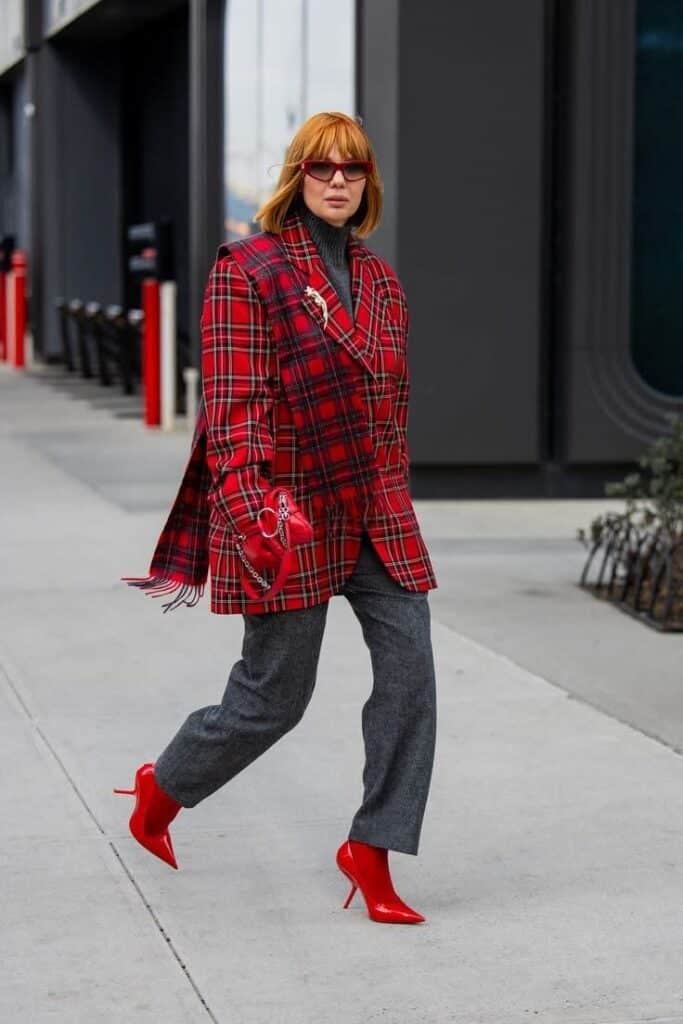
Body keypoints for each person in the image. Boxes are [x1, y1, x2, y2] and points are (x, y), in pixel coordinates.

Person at [115, 111, 438, 926]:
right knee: (272, 700)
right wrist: (250, 510)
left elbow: (390, 408)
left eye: (352, 169)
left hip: (375, 507)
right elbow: (233, 408)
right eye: (322, 167)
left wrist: (393, 491)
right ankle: (164, 786)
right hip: (288, 511)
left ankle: (372, 848)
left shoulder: (381, 282)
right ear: (297, 177)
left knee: (410, 677)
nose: (338, 181)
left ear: (367, 182)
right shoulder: (248, 271)